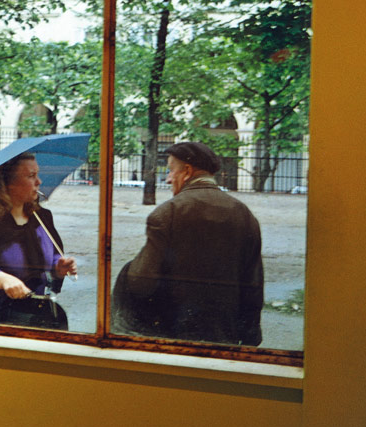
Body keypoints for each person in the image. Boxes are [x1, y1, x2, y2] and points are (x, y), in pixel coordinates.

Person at [112, 141, 263, 346]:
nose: (167, 178)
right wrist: (250, 339)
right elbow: (253, 286)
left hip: (172, 335)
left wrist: (128, 271)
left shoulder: (168, 213)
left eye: (170, 170)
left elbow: (141, 282)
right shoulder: (244, 214)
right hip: (224, 335)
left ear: (187, 171)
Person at [0, 152, 77, 326]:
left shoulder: (42, 217)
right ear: (8, 184)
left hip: (28, 312)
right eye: (31, 176)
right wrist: (2, 279)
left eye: (38, 174)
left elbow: (54, 256)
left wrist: (59, 267)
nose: (39, 182)